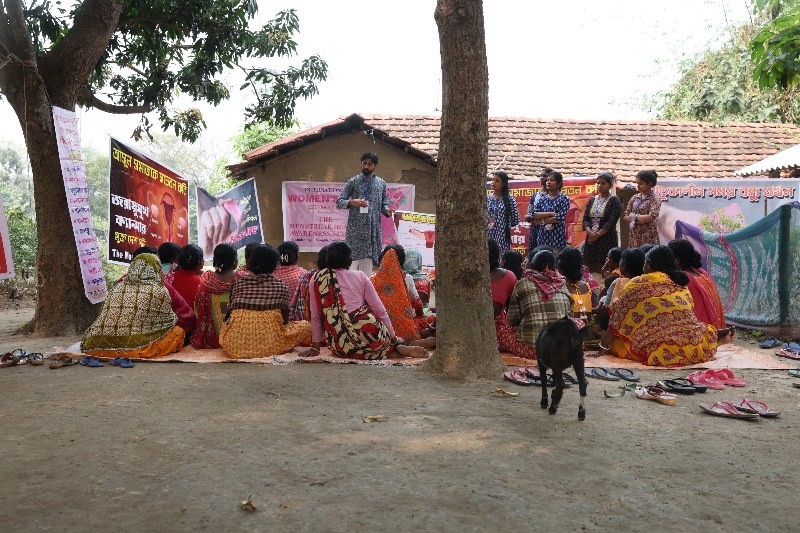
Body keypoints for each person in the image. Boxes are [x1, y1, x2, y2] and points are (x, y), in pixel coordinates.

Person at [596, 245, 718, 366]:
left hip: (661, 350)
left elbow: (616, 322)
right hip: (695, 346)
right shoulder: (680, 285)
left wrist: (603, 346)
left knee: (618, 342)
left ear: (648, 264)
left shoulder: (637, 284)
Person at [304, 241, 425, 360]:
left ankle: (392, 351)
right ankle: (395, 347)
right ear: (349, 261)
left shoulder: (317, 279)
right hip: (370, 331)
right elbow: (380, 311)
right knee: (379, 336)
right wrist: (393, 337)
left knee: (345, 348)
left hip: (341, 341)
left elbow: (316, 315)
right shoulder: (360, 276)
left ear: (327, 260)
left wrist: (316, 347)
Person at [81, 253, 184, 358]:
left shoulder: (117, 288)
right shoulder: (158, 290)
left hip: (95, 346)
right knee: (178, 332)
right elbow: (167, 322)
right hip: (134, 349)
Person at [218, 245, 311, 358]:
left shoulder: (238, 283)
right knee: (305, 326)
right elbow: (285, 321)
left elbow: (229, 314)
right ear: (275, 265)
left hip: (234, 346)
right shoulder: (281, 286)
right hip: (272, 346)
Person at [506, 249, 574, 355]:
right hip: (563, 350)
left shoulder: (522, 283)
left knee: (501, 329)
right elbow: (570, 315)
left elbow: (512, 319)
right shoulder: (562, 284)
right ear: (556, 267)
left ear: (532, 265)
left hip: (533, 350)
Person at [335, 152, 392, 274]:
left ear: (375, 166)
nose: (366, 166)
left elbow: (383, 203)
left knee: (366, 271)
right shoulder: (353, 182)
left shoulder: (381, 183)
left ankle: (364, 291)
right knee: (351, 267)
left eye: (369, 164)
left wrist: (386, 210)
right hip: (355, 231)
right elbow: (339, 201)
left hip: (372, 231)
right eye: (364, 163)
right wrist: (352, 202)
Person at [489, 239, 537, 359]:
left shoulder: (467, 278)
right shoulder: (508, 276)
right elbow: (515, 312)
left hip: (483, 330)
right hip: (496, 330)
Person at [668, 239, 727, 331]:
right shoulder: (701, 272)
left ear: (677, 260)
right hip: (717, 326)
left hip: (706, 331)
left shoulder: (685, 279)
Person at [371, 246, 427, 342]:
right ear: (403, 260)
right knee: (427, 321)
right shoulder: (407, 278)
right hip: (405, 333)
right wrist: (420, 318)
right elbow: (418, 306)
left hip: (380, 331)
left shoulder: (373, 279)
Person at [191, 243, 237, 349]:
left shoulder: (206, 281)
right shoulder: (241, 281)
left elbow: (198, 310)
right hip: (236, 336)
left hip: (211, 338)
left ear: (214, 261)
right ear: (234, 263)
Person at [582, 172, 622, 273]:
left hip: (606, 238)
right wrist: (590, 233)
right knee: (589, 268)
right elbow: (586, 218)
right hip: (591, 238)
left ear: (610, 185)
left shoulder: (614, 200)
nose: (599, 186)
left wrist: (598, 234)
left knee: (606, 266)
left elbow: (611, 221)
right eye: (598, 183)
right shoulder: (592, 200)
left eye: (603, 183)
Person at [531, 171, 570, 250]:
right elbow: (534, 215)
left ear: (559, 184)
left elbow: (559, 218)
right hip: (542, 239)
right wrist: (550, 213)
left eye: (551, 180)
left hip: (557, 239)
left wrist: (541, 221)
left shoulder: (564, 198)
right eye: (547, 180)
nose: (548, 182)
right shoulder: (542, 199)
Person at [622, 170, 661, 247]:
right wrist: (639, 219)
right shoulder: (635, 197)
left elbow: (650, 217)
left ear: (649, 184)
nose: (638, 186)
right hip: (634, 237)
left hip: (648, 237)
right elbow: (625, 216)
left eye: (641, 183)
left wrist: (633, 217)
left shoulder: (655, 199)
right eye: (637, 183)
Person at [290, 245, 328, 322]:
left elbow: (295, 300)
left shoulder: (307, 275)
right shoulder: (336, 279)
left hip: (306, 322)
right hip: (328, 324)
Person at [165, 244, 204, 314]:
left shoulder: (167, 278)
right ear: (200, 263)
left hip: (171, 322)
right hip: (193, 322)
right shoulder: (204, 281)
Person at [557, 247, 595, 319]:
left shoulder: (560, 288)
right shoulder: (586, 286)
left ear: (560, 267)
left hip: (569, 329)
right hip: (585, 329)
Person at [487, 171, 520, 253]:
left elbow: (515, 219)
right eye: (492, 180)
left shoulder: (510, 199)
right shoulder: (487, 198)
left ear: (503, 184)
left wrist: (502, 224)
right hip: (487, 234)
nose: (493, 182)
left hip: (502, 236)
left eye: (497, 181)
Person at [525, 168, 552, 255]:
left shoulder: (554, 196)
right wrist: (533, 217)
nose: (542, 178)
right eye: (541, 176)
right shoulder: (535, 196)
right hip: (535, 230)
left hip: (549, 230)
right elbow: (528, 215)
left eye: (545, 176)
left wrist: (539, 217)